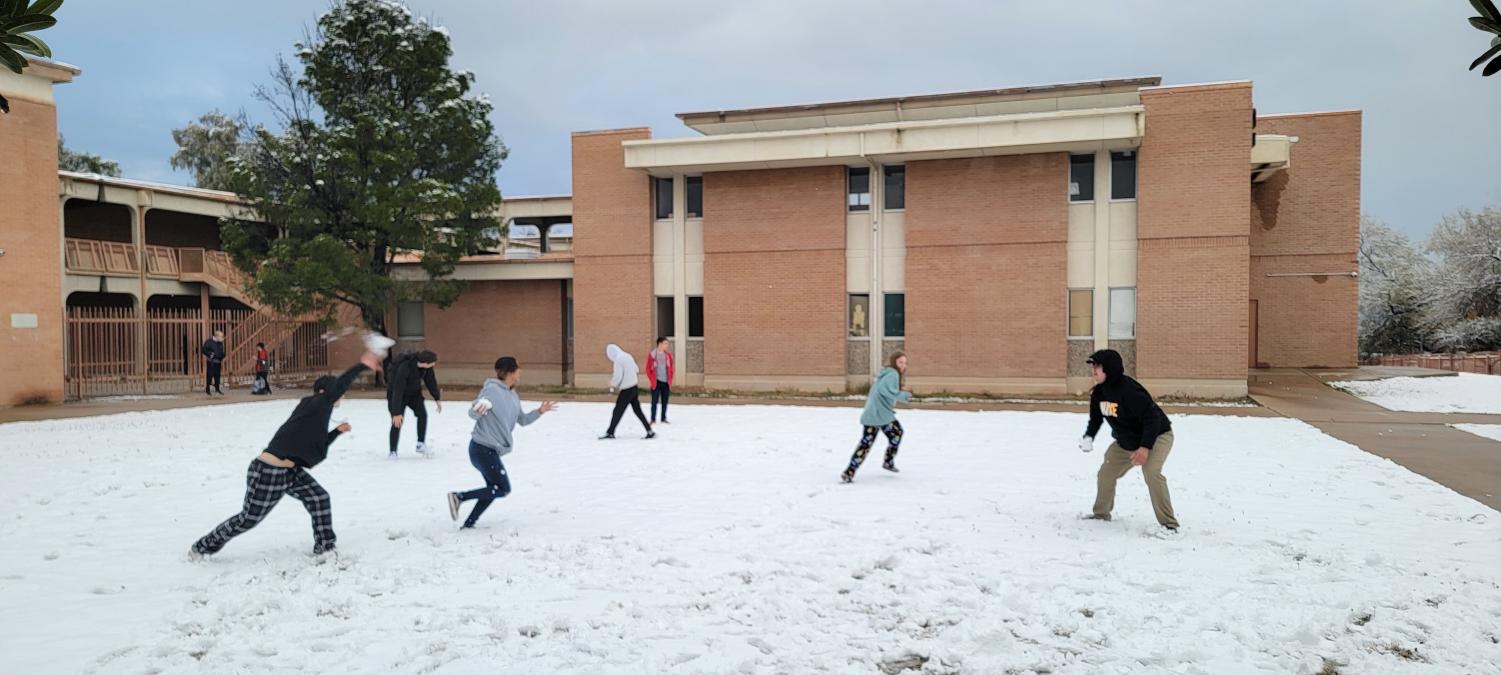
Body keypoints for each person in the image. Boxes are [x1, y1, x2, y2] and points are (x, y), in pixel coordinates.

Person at [190, 333, 393, 558]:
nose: (341, 397)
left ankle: (325, 547)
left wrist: (336, 432)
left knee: (319, 498)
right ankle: (201, 547)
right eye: (338, 393)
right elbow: (339, 384)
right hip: (269, 471)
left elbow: (314, 448)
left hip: (290, 471)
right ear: (325, 393)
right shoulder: (313, 403)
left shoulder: (316, 414)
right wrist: (363, 364)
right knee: (248, 519)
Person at [446, 357, 558, 529]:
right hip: (481, 448)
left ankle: (469, 524)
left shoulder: (513, 395)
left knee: (493, 488)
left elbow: (523, 420)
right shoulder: (491, 390)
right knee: (503, 488)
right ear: (509, 372)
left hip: (490, 450)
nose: (520, 372)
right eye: (518, 369)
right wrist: (478, 409)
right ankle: (459, 497)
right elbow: (473, 412)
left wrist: (539, 412)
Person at [1078, 349, 1179, 531]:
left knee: (1151, 473)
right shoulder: (1099, 393)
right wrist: (1089, 436)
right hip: (1126, 442)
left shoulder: (1130, 391)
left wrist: (1145, 448)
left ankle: (1169, 525)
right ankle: (1101, 514)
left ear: (1109, 368)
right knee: (1106, 473)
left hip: (1156, 436)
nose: (1093, 370)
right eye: (1093, 366)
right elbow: (1096, 419)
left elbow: (1153, 418)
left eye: (1098, 366)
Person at [841, 351, 910, 483]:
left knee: (866, 444)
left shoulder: (886, 374)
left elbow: (881, 391)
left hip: (872, 414)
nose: (903, 365)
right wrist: (904, 396)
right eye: (900, 362)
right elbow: (886, 391)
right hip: (881, 415)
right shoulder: (893, 374)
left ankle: (849, 472)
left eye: (905, 363)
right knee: (897, 433)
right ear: (894, 362)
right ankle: (888, 461)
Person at [387, 350, 443, 459]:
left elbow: (430, 381)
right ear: (425, 363)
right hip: (398, 395)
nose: (434, 365)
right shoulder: (405, 368)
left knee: (422, 415)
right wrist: (396, 412)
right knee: (397, 422)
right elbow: (397, 390)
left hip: (414, 394)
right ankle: (392, 451)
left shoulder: (427, 368)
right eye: (432, 363)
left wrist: (437, 398)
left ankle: (420, 444)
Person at [600, 343, 654, 440]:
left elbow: (618, 376)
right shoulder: (628, 356)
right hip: (634, 387)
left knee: (617, 411)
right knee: (638, 411)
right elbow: (636, 369)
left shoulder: (618, 360)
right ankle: (649, 431)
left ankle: (610, 432)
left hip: (626, 390)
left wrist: (612, 384)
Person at [647, 337, 674, 425]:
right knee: (654, 401)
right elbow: (648, 369)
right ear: (660, 344)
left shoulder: (668, 355)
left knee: (665, 401)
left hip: (666, 382)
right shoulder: (652, 355)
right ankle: (653, 419)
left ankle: (663, 418)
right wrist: (652, 380)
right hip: (656, 382)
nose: (667, 345)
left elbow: (671, 368)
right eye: (665, 343)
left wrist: (670, 379)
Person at [201, 330, 226, 396]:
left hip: (218, 362)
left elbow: (221, 351)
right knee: (210, 376)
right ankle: (207, 389)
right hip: (211, 362)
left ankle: (217, 389)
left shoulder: (220, 343)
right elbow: (203, 350)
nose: (222, 338)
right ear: (217, 336)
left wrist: (222, 355)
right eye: (221, 336)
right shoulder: (209, 342)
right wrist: (210, 354)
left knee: (217, 376)